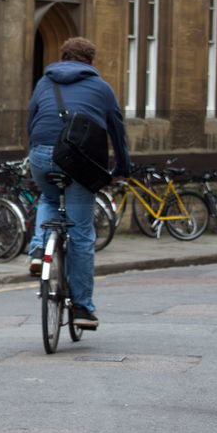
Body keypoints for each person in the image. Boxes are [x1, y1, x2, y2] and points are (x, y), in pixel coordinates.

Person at [26, 37, 131, 329]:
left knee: (47, 200)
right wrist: (122, 168)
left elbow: (31, 119)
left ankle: (37, 251)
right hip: (80, 159)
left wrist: (35, 153)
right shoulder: (102, 88)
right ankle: (83, 308)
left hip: (42, 154)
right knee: (82, 234)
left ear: (62, 57)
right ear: (91, 62)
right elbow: (117, 131)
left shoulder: (44, 83)